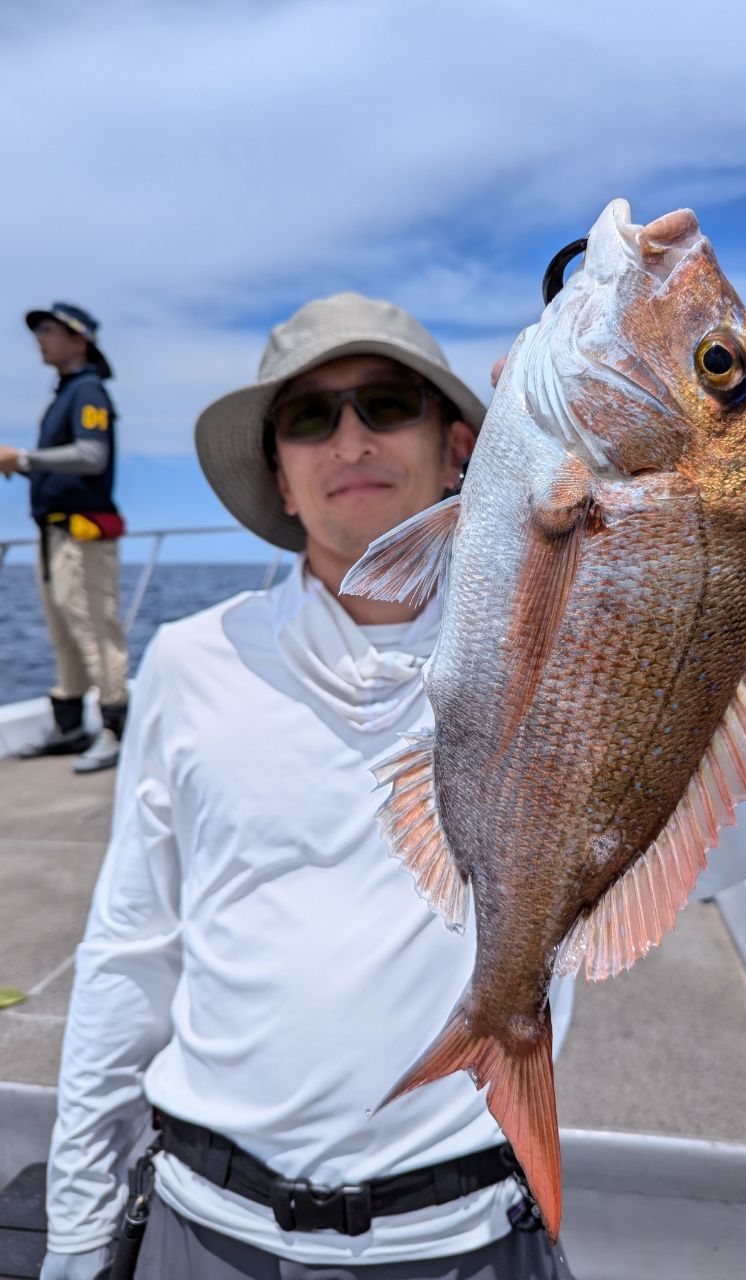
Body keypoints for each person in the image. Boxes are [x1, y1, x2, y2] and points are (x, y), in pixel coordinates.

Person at [39, 294, 579, 1280]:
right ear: (281, 478)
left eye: (385, 403)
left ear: (459, 447)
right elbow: (130, 949)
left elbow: (731, 845)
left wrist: (675, 542)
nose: (351, 439)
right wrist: (77, 1226)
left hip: (466, 1236)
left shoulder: (563, 652)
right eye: (310, 417)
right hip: (201, 1225)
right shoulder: (190, 660)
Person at [0, 303, 128, 773]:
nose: (40, 338)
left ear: (80, 340)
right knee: (64, 634)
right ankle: (70, 727)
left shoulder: (89, 391)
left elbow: (93, 455)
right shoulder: (66, 394)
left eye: (49, 330)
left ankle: (114, 730)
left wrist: (24, 459)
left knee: (95, 629)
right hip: (53, 533)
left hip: (82, 535)